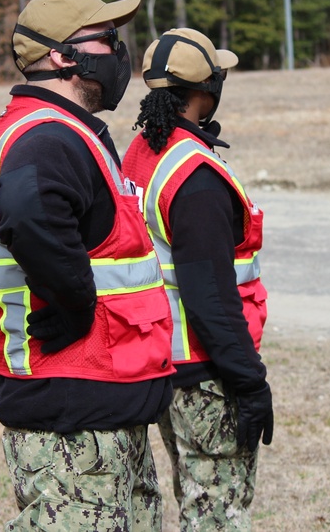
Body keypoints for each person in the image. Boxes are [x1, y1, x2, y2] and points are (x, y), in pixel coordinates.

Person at [0, 0, 175, 530]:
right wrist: (74, 307)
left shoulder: (68, 132)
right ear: (64, 56)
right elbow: (29, 217)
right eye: (107, 40)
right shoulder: (45, 138)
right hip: (72, 409)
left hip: (99, 401)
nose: (119, 52)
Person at [121, 28, 274, 531]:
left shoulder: (143, 151)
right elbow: (210, 296)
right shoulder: (196, 176)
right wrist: (250, 383)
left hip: (161, 360)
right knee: (215, 513)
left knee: (191, 501)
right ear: (206, 90)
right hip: (204, 371)